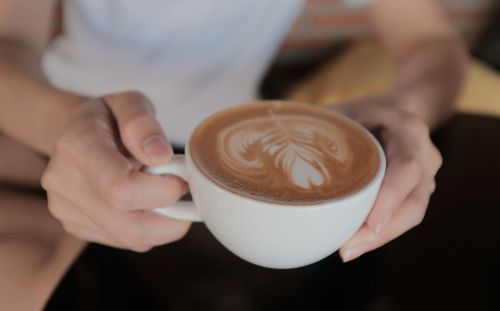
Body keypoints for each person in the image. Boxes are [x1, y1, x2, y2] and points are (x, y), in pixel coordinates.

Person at [0, 0, 466, 308]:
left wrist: (404, 110)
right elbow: (9, 44)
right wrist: (66, 123)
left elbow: (432, 43)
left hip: (224, 150)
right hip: (50, 116)